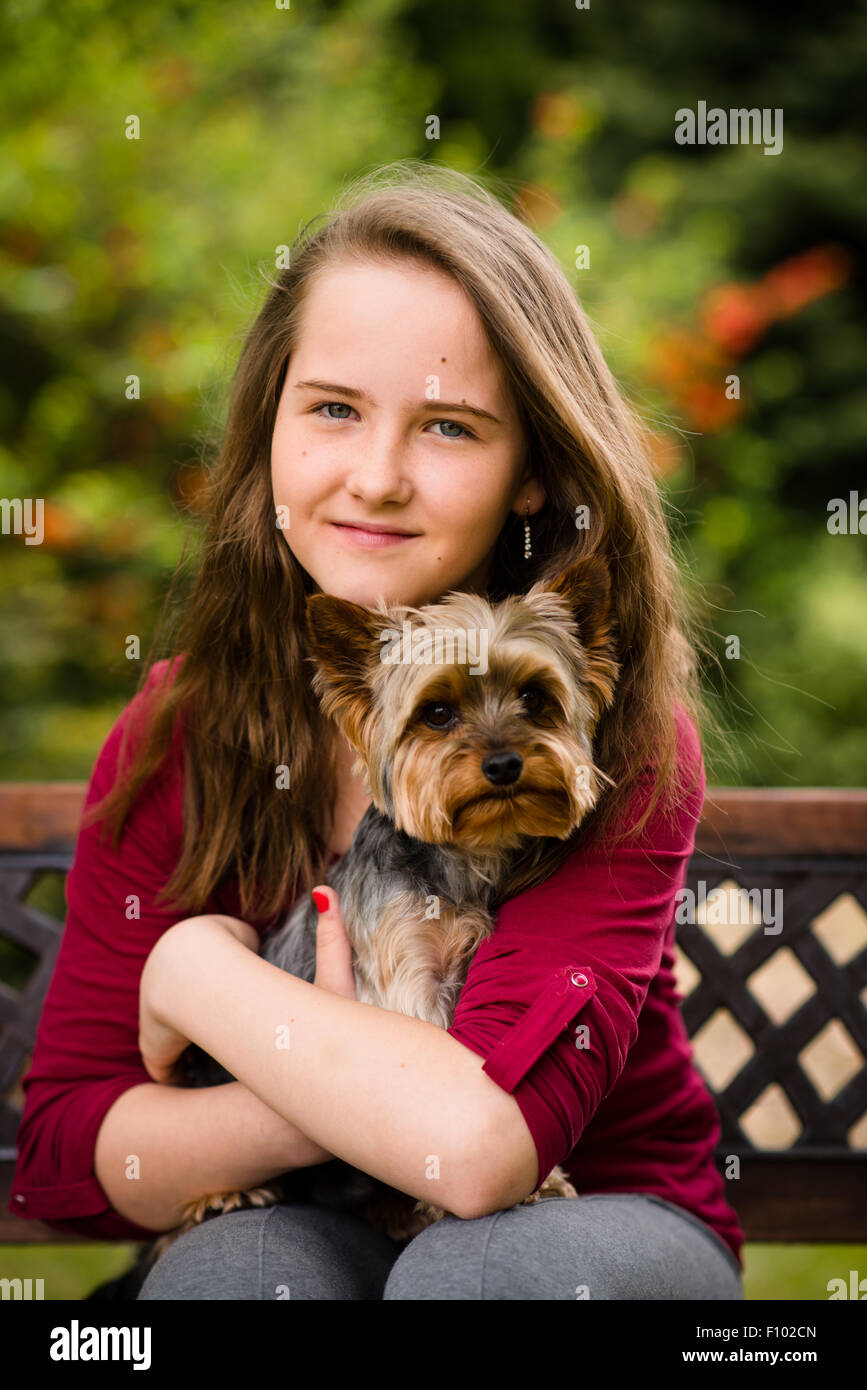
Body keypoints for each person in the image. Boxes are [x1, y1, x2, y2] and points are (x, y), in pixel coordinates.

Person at [9, 161, 745, 1300]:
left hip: (595, 1215)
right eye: (335, 408)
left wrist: (201, 975)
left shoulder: (616, 733)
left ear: (534, 473)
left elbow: (482, 1151)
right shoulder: (184, 728)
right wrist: (328, 1096)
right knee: (232, 1278)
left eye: (449, 426)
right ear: (270, 427)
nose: (378, 476)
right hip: (325, 1219)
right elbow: (72, 1149)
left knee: (476, 1274)